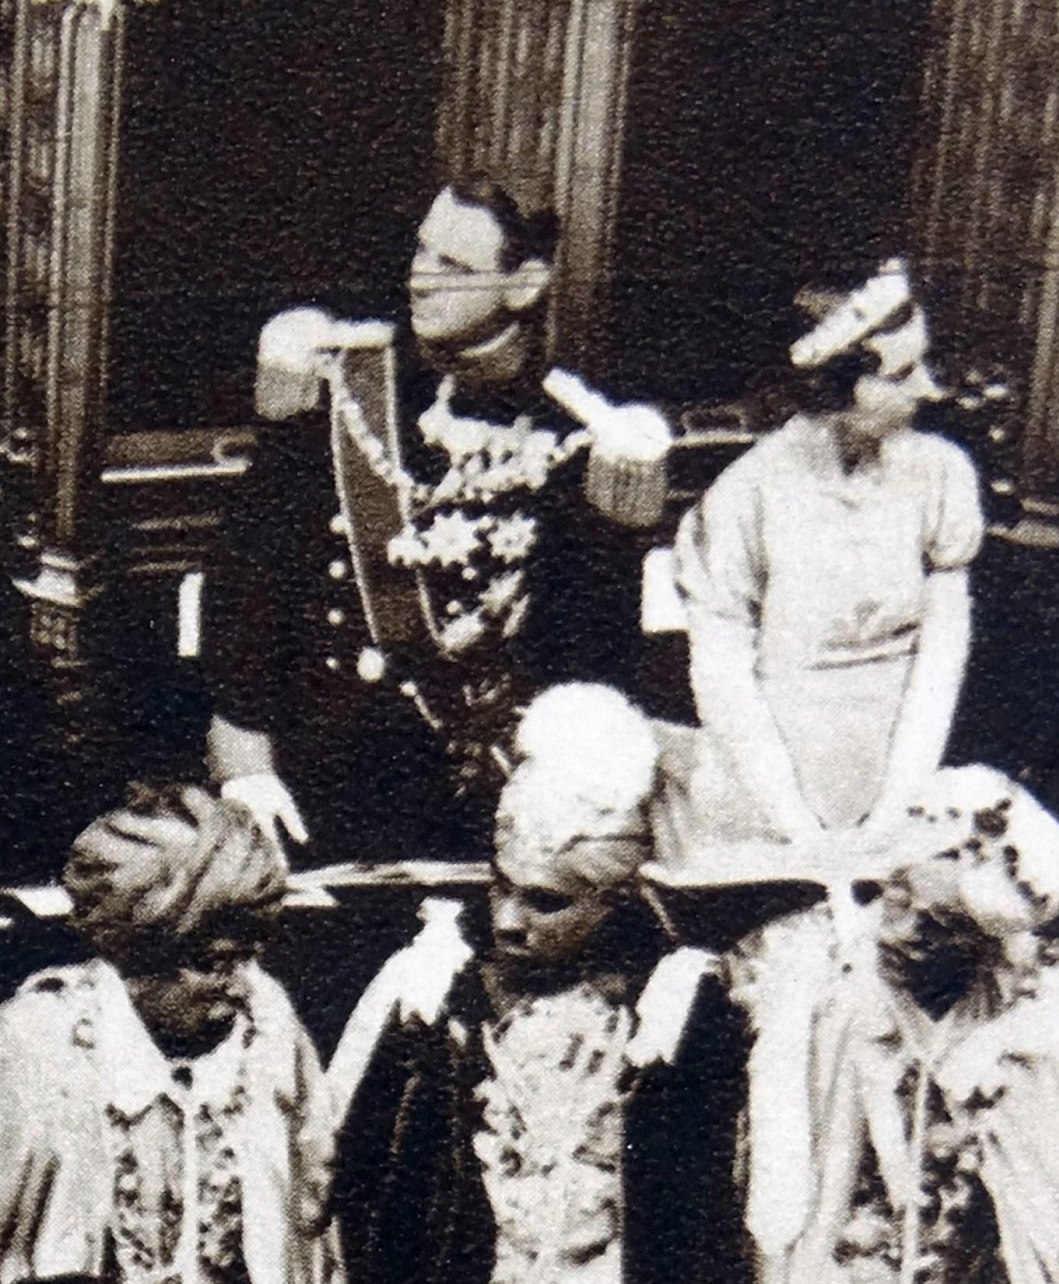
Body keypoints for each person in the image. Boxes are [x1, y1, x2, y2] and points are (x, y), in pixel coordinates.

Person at [655, 257, 985, 1282]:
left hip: (894, 776)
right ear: (838, 377)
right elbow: (723, 674)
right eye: (901, 370)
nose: (926, 389)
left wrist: (892, 803)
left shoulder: (941, 476)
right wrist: (802, 825)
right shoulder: (745, 496)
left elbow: (943, 650)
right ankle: (781, 1249)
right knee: (794, 1013)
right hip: (767, 797)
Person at [202, 177, 650, 864]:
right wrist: (246, 770)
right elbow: (244, 594)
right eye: (421, 252)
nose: (421, 279)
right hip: (312, 783)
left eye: (455, 268)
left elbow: (590, 654)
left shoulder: (580, 437)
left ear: (525, 284)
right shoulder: (341, 394)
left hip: (482, 804)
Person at [329, 682, 747, 1284]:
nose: (507, 920)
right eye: (501, 885)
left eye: (545, 902)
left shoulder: (673, 1008)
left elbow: (702, 1213)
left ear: (617, 900)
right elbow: (366, 1178)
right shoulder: (437, 989)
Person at [0, 781, 342, 1284]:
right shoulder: (36, 1045)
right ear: (133, 955)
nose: (242, 984)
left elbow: (310, 1236)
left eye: (252, 955)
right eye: (213, 963)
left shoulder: (268, 1029)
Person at [797, 764, 1059, 1284]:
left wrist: (994, 1040)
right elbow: (871, 1044)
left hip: (1002, 1154)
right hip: (905, 1171)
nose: (899, 890)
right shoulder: (879, 952)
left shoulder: (1044, 974)